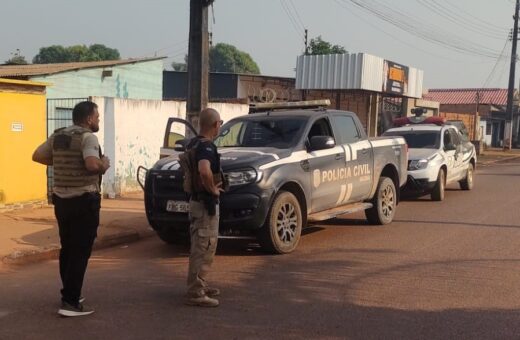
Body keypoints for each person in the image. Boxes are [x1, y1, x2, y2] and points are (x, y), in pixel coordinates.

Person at [32, 101, 110, 317]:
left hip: (61, 201)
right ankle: (70, 303)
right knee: (80, 251)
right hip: (84, 200)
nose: (98, 120)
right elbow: (92, 165)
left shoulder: (59, 135)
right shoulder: (88, 137)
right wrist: (104, 164)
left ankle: (69, 292)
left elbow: (37, 155)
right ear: (88, 119)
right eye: (97, 117)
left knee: (67, 248)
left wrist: (59, 161)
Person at [185, 108, 225, 307]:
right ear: (216, 124)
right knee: (203, 247)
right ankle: (196, 291)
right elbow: (204, 170)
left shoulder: (194, 143)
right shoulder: (206, 147)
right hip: (204, 204)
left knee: (201, 246)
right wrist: (213, 190)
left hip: (196, 203)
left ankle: (200, 283)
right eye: (220, 123)